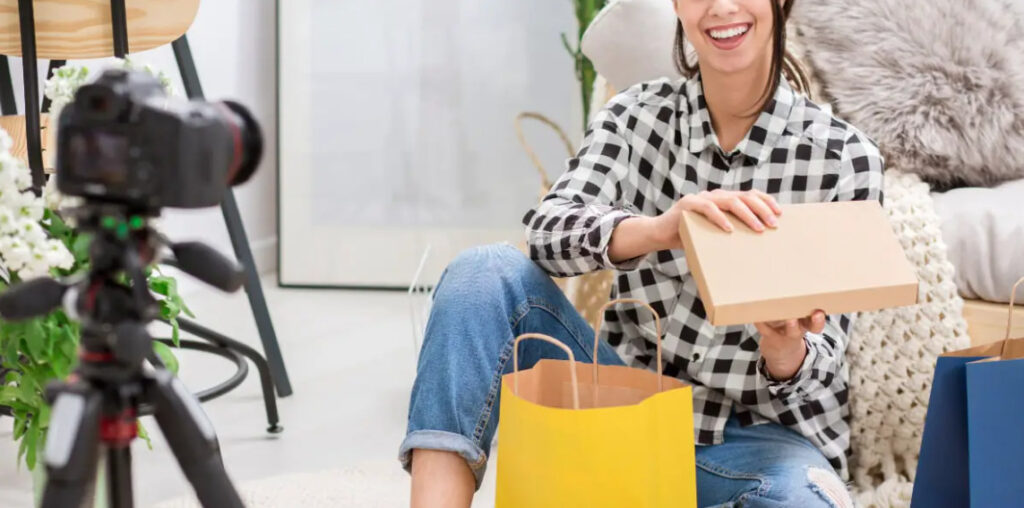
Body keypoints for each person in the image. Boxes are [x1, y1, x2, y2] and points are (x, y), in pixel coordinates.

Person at [400, 0, 882, 506]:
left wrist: (783, 351)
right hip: (625, 407)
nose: (721, 7)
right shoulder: (635, 116)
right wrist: (657, 231)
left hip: (762, 446)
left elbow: (824, 364)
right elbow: (546, 232)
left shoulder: (844, 158)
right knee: (482, 273)